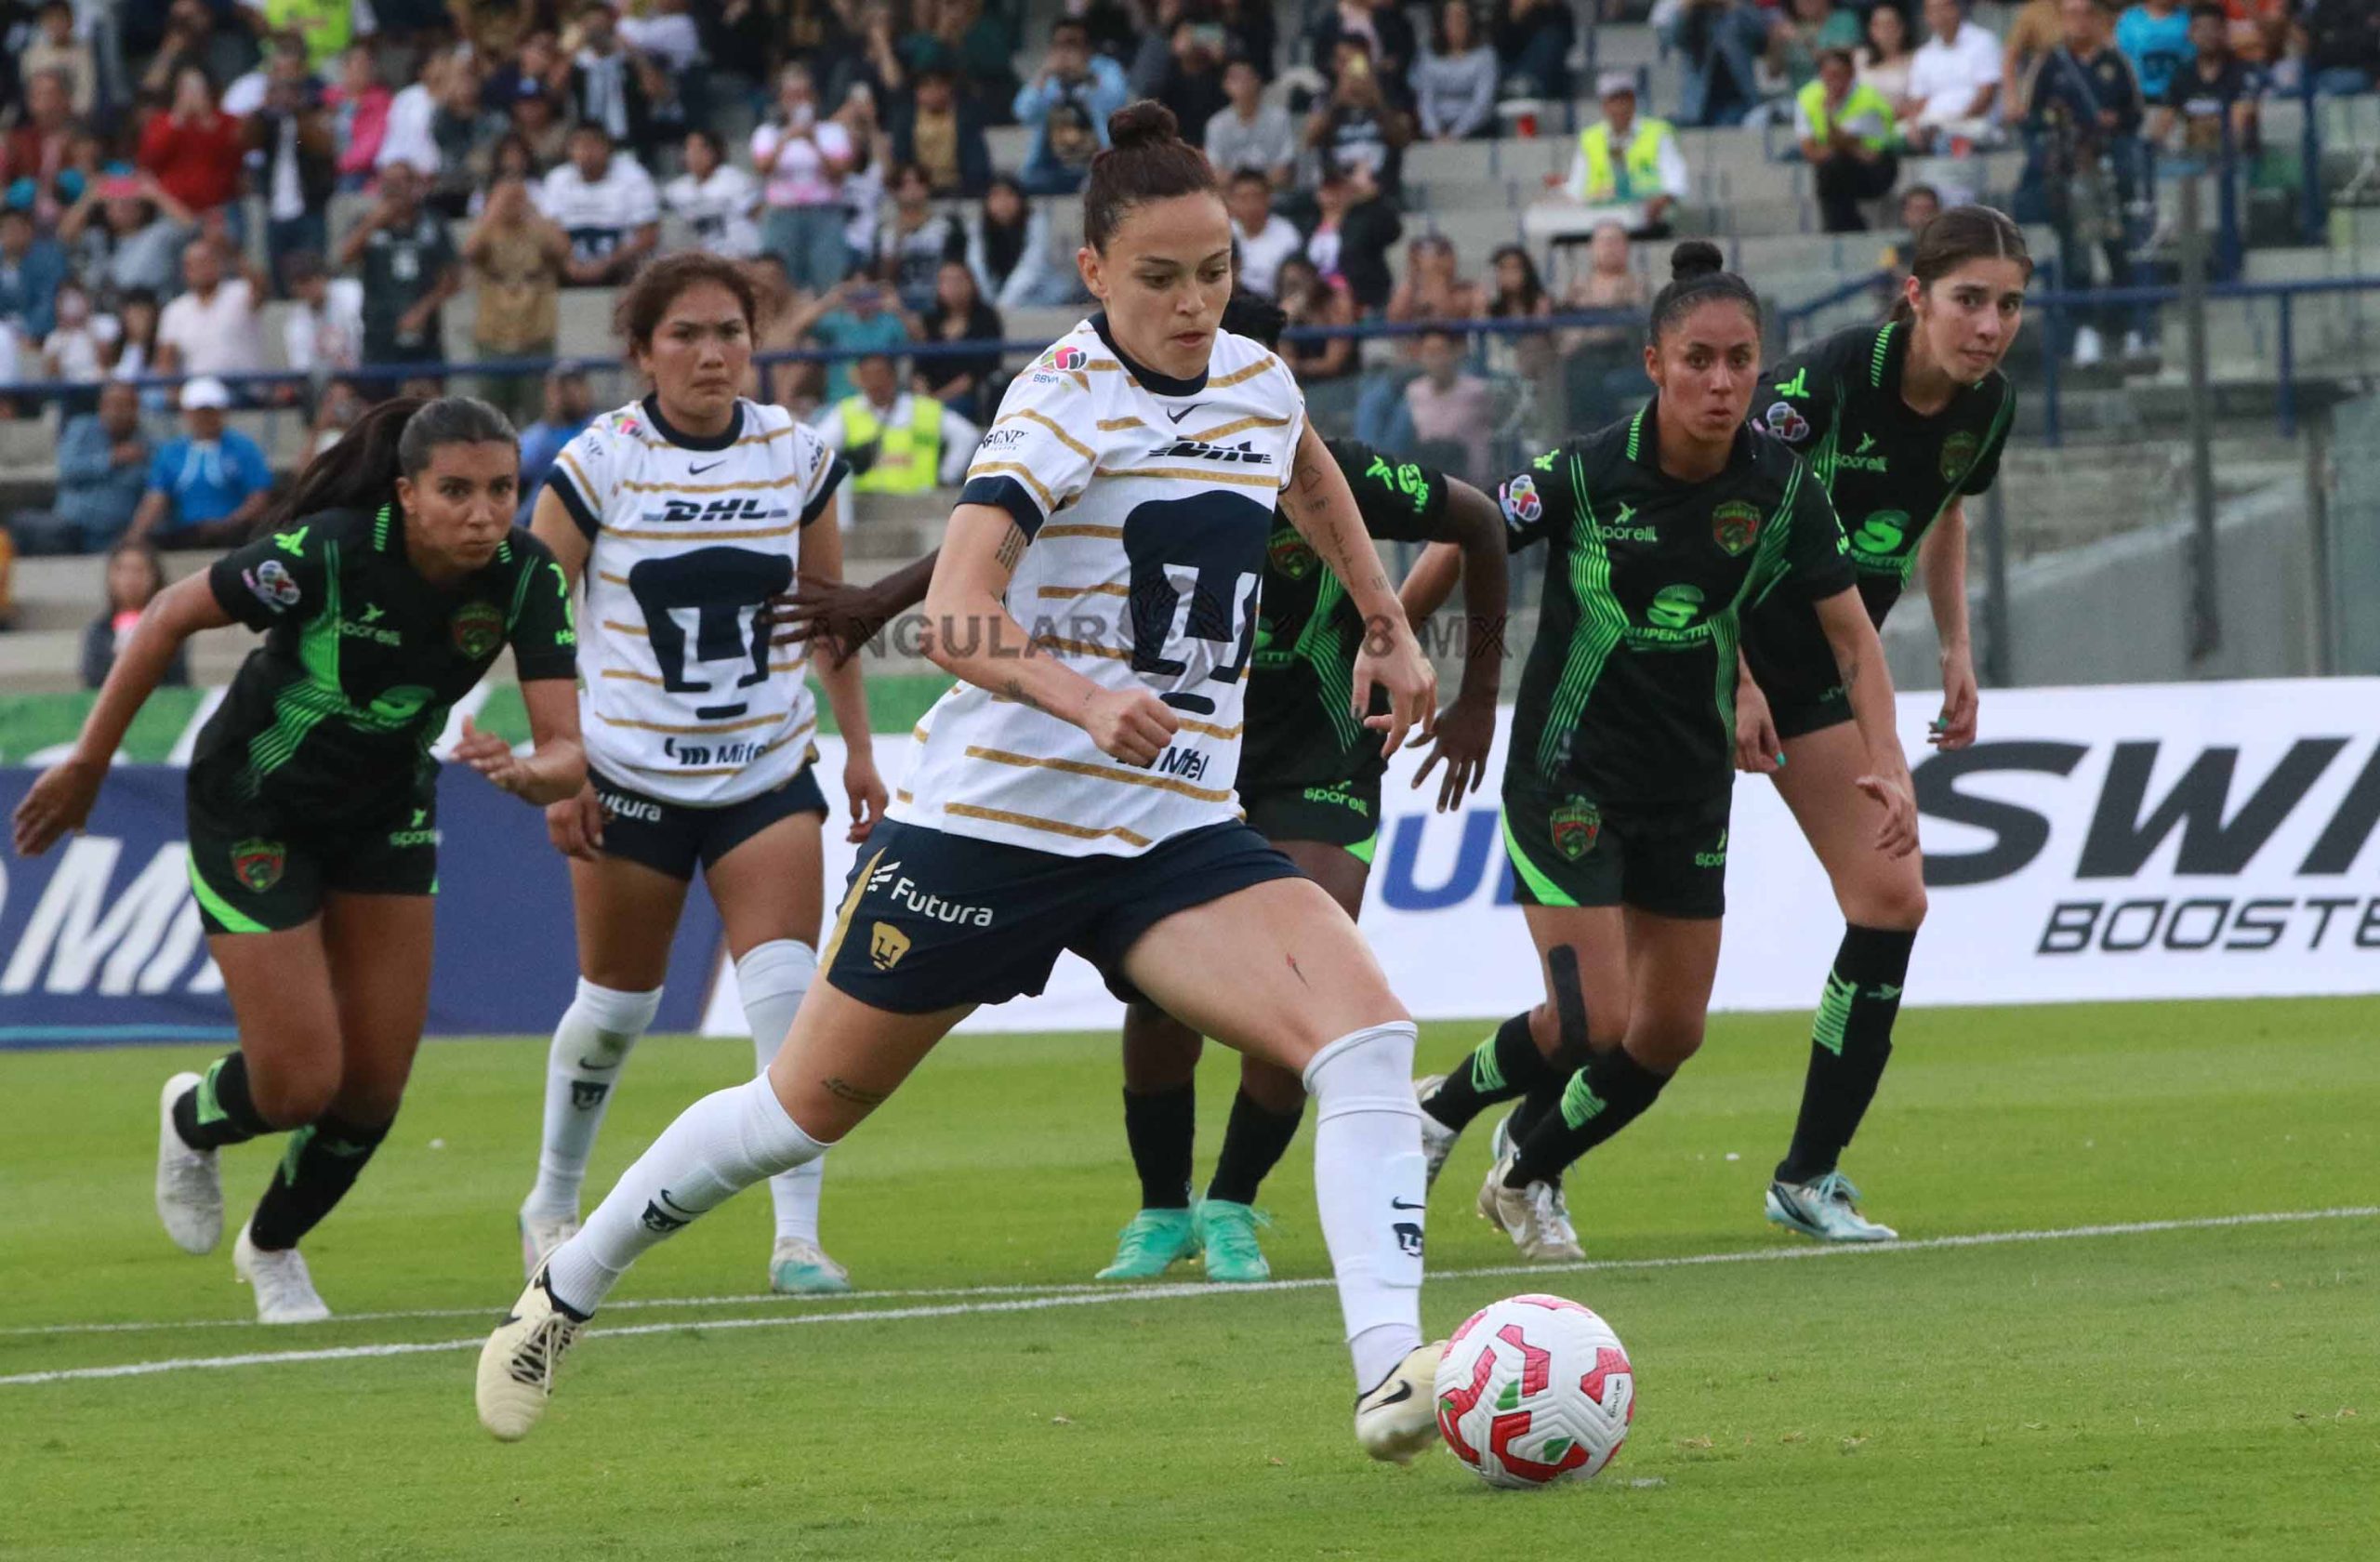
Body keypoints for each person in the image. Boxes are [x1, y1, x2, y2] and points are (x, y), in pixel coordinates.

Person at [475, 101, 1448, 1468]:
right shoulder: (1056, 401)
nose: (1193, 303)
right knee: (796, 1109)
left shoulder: (1258, 380)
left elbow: (1305, 474)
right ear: (1095, 273)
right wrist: (1085, 694)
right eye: (1159, 278)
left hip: (1171, 832)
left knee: (1367, 1040)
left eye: (1215, 272)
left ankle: (1388, 1377)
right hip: (988, 828)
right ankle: (562, 1293)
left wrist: (1385, 618)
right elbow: (953, 613)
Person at [772, 291, 1512, 1285]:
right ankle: (1161, 1209)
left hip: (1320, 750)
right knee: (1162, 998)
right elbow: (991, 537)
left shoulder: (1312, 461)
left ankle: (1236, 1202)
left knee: (1309, 973)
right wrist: (876, 603)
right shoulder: (1127, 447)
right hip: (1186, 751)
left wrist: (1438, 667)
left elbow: (1478, 518)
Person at [12, 395, 582, 1324]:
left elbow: (568, 750)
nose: (484, 514)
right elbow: (161, 617)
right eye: (456, 491)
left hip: (387, 814)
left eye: (502, 490)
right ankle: (193, 1118)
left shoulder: (527, 577)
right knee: (297, 1083)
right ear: (405, 492)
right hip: (255, 805)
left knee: (373, 1088)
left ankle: (272, 1249)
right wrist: (87, 764)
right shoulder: (327, 551)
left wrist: (527, 775)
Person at [1401, 242, 1916, 1262]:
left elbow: (1852, 638)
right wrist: (1388, 635)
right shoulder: (1588, 473)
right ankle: (1440, 1109)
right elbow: (1469, 527)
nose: (1720, 383)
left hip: (1688, 786)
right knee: (1592, 1019)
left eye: (1739, 362)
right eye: (1697, 360)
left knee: (1668, 1032)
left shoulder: (1779, 487)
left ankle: (1526, 1172)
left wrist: (1887, 761)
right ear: (1653, 364)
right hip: (1569, 772)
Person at [512, 254, 883, 1296]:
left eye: (730, 331)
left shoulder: (797, 454)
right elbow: (536, 624)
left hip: (766, 770)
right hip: (628, 776)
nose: (712, 352)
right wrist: (563, 765)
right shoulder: (597, 464)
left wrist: (855, 748)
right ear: (640, 351)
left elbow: (831, 612)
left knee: (787, 1002)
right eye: (685, 334)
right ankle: (551, 1200)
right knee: (617, 1009)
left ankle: (796, 1238)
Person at [1721, 206, 2031, 1240]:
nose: (1989, 325)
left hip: (1819, 678)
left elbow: (1945, 509)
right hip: (1697, 655)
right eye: (1969, 300)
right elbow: (1718, 509)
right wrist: (1736, 676)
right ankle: (1489, 1131)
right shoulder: (1831, 381)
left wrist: (1954, 645)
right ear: (1916, 296)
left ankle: (1806, 1177)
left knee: (1892, 899)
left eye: (2009, 305)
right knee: (1633, 1000)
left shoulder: (1986, 411)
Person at [2026, 0, 2149, 366]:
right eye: (2070, 14)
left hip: (2111, 169)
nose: (2078, 22)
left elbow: (2136, 113)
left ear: (2096, 19)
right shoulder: (2049, 64)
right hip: (2068, 174)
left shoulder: (2115, 63)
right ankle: (2083, 333)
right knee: (2075, 255)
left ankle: (2129, 329)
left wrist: (2115, 122)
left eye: (2085, 14)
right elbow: (2031, 117)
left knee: (2119, 250)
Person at [463, 173, 570, 423]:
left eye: (518, 197)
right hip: (494, 335)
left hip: (535, 335)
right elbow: (469, 252)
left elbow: (564, 251)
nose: (512, 204)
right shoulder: (487, 230)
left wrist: (534, 211)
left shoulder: (539, 228)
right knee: (491, 420)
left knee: (540, 417)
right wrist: (493, 211)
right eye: (506, 198)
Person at [339, 161, 461, 375]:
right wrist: (373, 222)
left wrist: (423, 309)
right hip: (378, 333)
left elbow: (452, 279)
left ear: (415, 185)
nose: (393, 188)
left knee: (425, 401)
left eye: (399, 182)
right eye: (387, 182)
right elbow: (344, 257)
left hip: (424, 335)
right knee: (382, 403)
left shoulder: (433, 222)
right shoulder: (366, 222)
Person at [128, 377, 275, 549]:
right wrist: (134, 536)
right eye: (199, 412)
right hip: (186, 532)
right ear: (187, 413)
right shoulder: (172, 451)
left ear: (222, 412)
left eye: (210, 411)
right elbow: (156, 498)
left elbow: (259, 496)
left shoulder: (243, 448)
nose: (205, 418)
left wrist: (229, 523)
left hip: (233, 531)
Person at [9, 381, 151, 556]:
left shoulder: (147, 445)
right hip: (68, 527)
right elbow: (67, 470)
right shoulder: (82, 428)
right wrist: (111, 459)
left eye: (123, 405)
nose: (116, 412)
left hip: (112, 534)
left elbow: (153, 489)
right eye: (110, 404)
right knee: (21, 524)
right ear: (101, 407)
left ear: (136, 408)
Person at [811, 348, 980, 493]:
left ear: (893, 376)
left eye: (880, 375)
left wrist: (946, 477)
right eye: (869, 376)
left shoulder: (925, 410)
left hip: (921, 503)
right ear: (859, 379)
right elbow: (816, 451)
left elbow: (967, 435)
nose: (876, 382)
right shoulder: (847, 413)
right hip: (867, 505)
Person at [752, 64, 853, 296]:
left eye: (803, 95)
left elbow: (839, 173)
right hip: (782, 213)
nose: (798, 101)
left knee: (830, 281)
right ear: (781, 99)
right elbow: (763, 168)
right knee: (780, 284)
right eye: (791, 96)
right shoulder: (768, 133)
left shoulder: (832, 131)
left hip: (824, 213)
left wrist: (813, 141)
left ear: (814, 98)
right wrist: (786, 139)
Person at [1555, 73, 1689, 237]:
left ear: (1633, 102)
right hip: (1600, 219)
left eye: (1624, 100)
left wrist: (1660, 201)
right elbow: (1577, 189)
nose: (1619, 107)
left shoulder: (1657, 132)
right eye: (1613, 101)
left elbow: (1676, 181)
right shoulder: (1590, 139)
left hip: (1648, 218)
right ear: (1604, 106)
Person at [1014, 18, 1130, 195]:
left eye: (1072, 43)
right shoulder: (1047, 79)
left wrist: (1086, 75)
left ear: (1087, 46)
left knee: (1106, 182)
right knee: (1024, 184)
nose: (1066, 50)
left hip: (1098, 165)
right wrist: (1044, 75)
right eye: (1059, 44)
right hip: (1052, 168)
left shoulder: (1106, 68)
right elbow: (1023, 113)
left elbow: (1115, 102)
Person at [537, 123, 661, 288]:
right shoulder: (558, 178)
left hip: (620, 264)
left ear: (608, 148)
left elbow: (647, 237)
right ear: (569, 150)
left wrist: (605, 264)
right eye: (579, 145)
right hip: (571, 263)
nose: (587, 153)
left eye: (593, 145)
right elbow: (549, 228)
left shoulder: (633, 176)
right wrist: (568, 261)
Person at [1798, 47, 1903, 232]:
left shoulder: (1869, 99)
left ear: (1852, 74)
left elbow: (1863, 151)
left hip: (1878, 168)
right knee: (1830, 169)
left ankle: (1843, 231)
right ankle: (1845, 230)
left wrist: (1829, 117)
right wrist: (1842, 146)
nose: (1834, 82)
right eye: (1829, 75)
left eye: (1840, 75)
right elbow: (1811, 151)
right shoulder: (1807, 97)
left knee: (1834, 168)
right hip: (1841, 162)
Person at [155, 234, 268, 381]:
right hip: (198, 389)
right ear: (185, 271)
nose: (201, 269)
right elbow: (166, 360)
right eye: (194, 265)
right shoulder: (175, 309)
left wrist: (233, 254)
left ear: (219, 264)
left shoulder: (240, 292)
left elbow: (262, 288)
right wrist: (174, 394)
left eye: (206, 262)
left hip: (245, 387)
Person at [138, 66, 245, 220]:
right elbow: (149, 160)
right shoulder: (161, 123)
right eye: (187, 89)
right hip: (173, 211)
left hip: (219, 210)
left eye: (197, 89)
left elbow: (233, 161)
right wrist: (177, 121)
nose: (192, 95)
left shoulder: (226, 122)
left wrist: (207, 121)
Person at [81, 537, 189, 688]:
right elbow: (92, 679)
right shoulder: (99, 631)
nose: (130, 579)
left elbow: (177, 680)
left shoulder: (171, 628)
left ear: (154, 576)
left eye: (138, 570)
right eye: (122, 570)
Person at [2156, 4, 2259, 160]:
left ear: (2224, 32)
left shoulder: (2243, 72)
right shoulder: (2182, 74)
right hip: (2193, 159)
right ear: (2190, 33)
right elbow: (2164, 121)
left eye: (2213, 28)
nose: (2207, 35)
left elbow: (2238, 124)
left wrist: (2203, 128)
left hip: (2236, 160)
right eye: (2200, 29)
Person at [789, 277, 913, 406]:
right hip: (839, 403)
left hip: (883, 404)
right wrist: (828, 301)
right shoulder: (836, 321)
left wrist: (899, 308)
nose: (862, 296)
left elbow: (919, 337)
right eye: (856, 290)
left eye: (867, 290)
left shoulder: (890, 322)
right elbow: (796, 328)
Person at [1899, 0, 2004, 152]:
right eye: (1932, 11)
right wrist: (1914, 125)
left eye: (1944, 8)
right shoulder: (1924, 54)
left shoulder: (1983, 42)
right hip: (1933, 123)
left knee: (1946, 140)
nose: (1939, 15)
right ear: (1926, 16)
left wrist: (1957, 123)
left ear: (1957, 9)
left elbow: (1987, 94)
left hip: (1971, 123)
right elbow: (1918, 101)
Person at [1402, 327, 1496, 484]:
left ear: (1454, 354)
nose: (1437, 360)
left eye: (1441, 352)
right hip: (1429, 479)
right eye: (1430, 354)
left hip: (1472, 482)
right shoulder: (1414, 392)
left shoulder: (1478, 392)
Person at [913, 259, 1003, 422]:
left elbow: (979, 371)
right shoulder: (930, 320)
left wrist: (938, 400)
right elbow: (919, 368)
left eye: (956, 280)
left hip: (967, 397)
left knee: (950, 414)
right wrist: (924, 397)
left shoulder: (986, 319)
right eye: (944, 281)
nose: (950, 286)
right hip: (929, 396)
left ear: (971, 284)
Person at [874, 161, 966, 313]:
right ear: (894, 191)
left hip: (939, 302)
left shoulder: (946, 227)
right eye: (903, 184)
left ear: (927, 187)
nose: (912, 188)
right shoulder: (884, 232)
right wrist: (897, 241)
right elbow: (883, 281)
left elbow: (957, 269)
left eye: (919, 182)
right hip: (899, 303)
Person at [967, 175, 1070, 310]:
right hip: (994, 301)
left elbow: (1031, 268)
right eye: (996, 197)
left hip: (1041, 296)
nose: (1003, 203)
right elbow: (977, 269)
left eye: (1009, 196)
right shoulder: (977, 230)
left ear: (1020, 199)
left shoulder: (1036, 224)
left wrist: (1003, 304)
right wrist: (992, 305)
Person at [889, 64, 992, 200]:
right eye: (926, 87)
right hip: (918, 187)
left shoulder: (966, 118)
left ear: (949, 88)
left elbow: (976, 159)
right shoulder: (905, 120)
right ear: (917, 92)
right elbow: (901, 159)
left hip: (960, 188)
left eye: (939, 86)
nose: (933, 92)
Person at [663, 127, 763, 259]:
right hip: (700, 261)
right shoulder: (676, 189)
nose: (693, 155)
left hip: (738, 258)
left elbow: (758, 216)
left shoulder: (735, 180)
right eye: (688, 149)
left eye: (700, 149)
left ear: (715, 152)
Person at [513, 362, 593, 523]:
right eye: (560, 388)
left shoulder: (603, 428)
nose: (568, 394)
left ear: (587, 390)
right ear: (547, 393)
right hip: (539, 522)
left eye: (575, 386)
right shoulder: (534, 437)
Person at [1204, 57, 1296, 191]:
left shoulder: (1279, 118)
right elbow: (1216, 173)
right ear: (1225, 85)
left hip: (1270, 193)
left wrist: (1255, 189)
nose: (1241, 83)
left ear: (1257, 81)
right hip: (1232, 195)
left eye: (1246, 77)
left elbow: (1284, 170)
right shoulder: (1216, 124)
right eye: (1235, 78)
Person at [1417, 2, 1499, 140]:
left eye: (1461, 18)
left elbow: (1482, 102)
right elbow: (1426, 99)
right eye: (1450, 19)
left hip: (1474, 129)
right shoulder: (1428, 56)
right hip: (1437, 131)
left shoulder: (1486, 56)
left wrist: (1456, 134)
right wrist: (1434, 133)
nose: (1456, 24)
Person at [1226, 166, 1302, 300]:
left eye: (1256, 196)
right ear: (1231, 202)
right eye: (1243, 198)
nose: (1251, 204)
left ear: (1269, 198)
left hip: (1273, 304)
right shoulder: (1223, 231)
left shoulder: (1287, 233)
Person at [2117, 0, 2197, 103]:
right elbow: (2122, 58)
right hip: (2140, 96)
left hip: (2181, 95)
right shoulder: (2129, 19)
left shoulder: (2188, 18)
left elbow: (2194, 57)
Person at [1864, 2, 1922, 103]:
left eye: (1889, 24)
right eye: (1878, 25)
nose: (1884, 30)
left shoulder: (1917, 60)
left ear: (1902, 28)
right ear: (1871, 30)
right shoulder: (1859, 58)